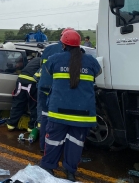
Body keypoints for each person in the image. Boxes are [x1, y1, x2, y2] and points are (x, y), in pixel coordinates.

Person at [40, 30, 101, 182]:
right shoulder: (91, 61)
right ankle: (70, 173)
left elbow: (47, 74)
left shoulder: (54, 59)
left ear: (63, 44)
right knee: (75, 144)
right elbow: (97, 73)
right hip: (83, 114)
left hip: (58, 112)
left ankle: (48, 167)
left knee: (53, 141)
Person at [37, 27, 73, 152]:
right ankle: (57, 146)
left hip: (43, 87)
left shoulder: (48, 49)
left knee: (44, 117)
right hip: (57, 90)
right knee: (58, 120)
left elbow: (42, 66)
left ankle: (43, 146)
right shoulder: (71, 52)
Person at [7, 56, 40, 131]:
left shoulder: (34, 59)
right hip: (31, 82)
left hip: (20, 80)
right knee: (33, 105)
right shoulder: (45, 61)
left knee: (18, 103)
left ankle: (11, 124)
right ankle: (31, 127)